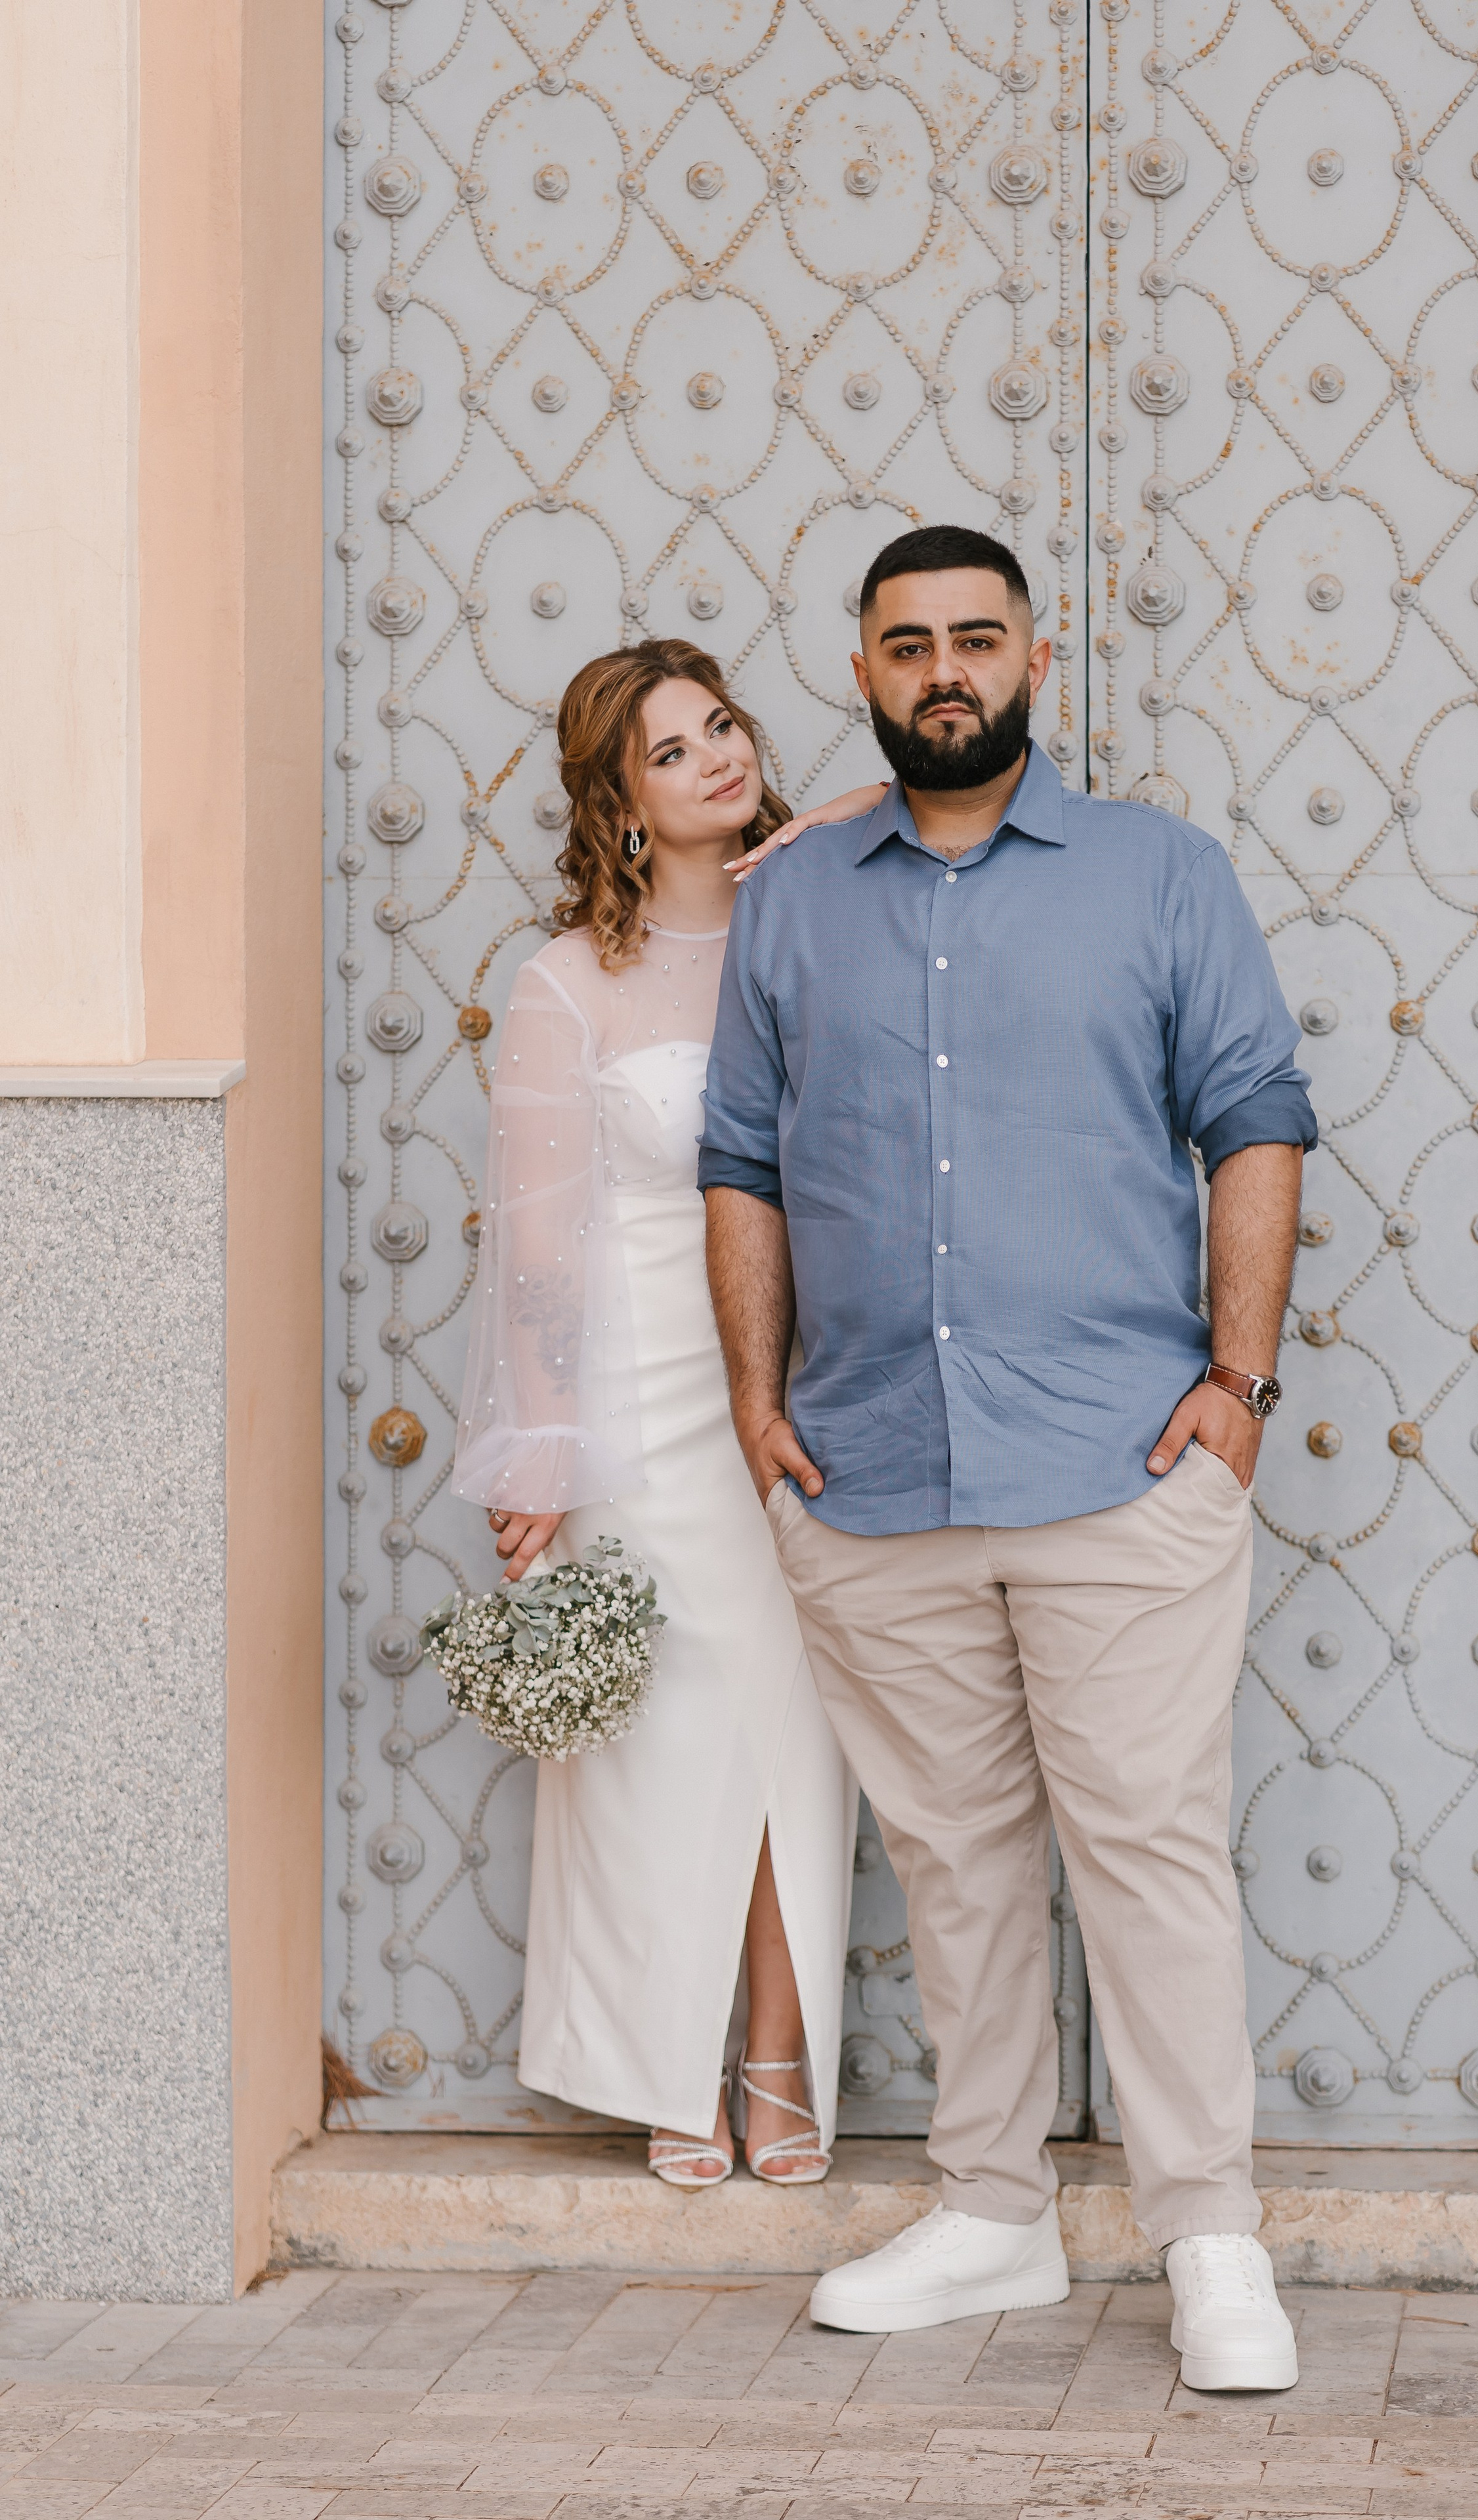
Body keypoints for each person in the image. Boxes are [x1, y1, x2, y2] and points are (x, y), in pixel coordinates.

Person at [701, 526, 1316, 2385]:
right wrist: (756, 1401)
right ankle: (990, 2214)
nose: (944, 670)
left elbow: (1258, 1118)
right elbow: (738, 1156)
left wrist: (1239, 1385)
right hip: (875, 1471)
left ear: (1037, 660)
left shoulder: (1159, 872)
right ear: (865, 671)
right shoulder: (793, 904)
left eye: (977, 638)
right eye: (909, 645)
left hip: (1125, 1464)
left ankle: (1211, 2237)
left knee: (1146, 1852)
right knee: (954, 1863)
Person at [451, 639, 881, 2186]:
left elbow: (923, 794)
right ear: (620, 808)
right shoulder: (566, 982)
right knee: (655, 1740)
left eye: (721, 729)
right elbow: (542, 1252)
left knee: (794, 1734)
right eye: (666, 751)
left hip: (796, 1390)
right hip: (635, 1399)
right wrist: (541, 1457)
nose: (710, 756)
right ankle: (659, 2061)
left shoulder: (807, 927)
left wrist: (813, 827)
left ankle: (776, 2057)